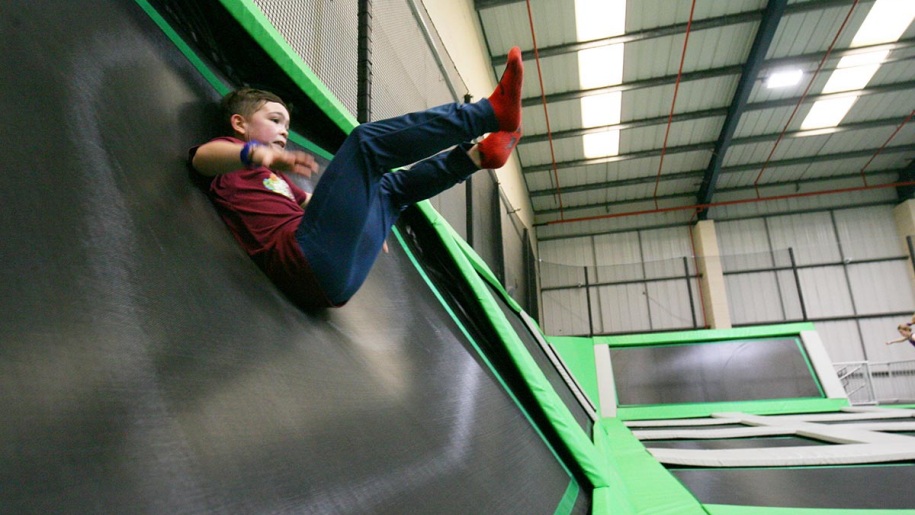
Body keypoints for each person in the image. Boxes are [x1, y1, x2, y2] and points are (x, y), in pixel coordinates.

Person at [190, 47, 524, 310]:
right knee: (365, 145)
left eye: (286, 125)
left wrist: (362, 217)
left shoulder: (274, 178)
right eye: (275, 120)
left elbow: (309, 204)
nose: (284, 131)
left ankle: (476, 158)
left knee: (389, 192)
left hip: (337, 280)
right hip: (301, 260)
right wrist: (253, 153)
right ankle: (487, 114)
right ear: (239, 124)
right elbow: (203, 160)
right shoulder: (231, 154)